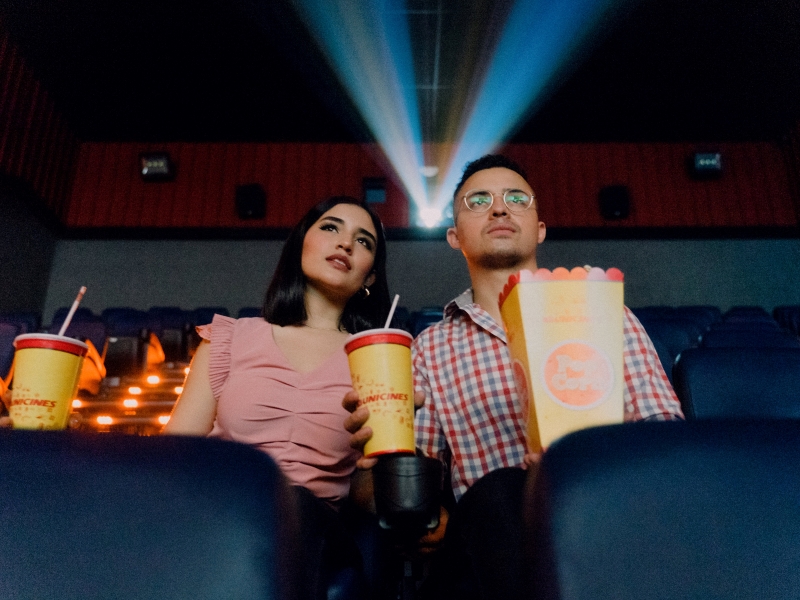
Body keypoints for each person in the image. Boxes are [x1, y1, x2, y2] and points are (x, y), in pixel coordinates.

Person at [344, 154, 683, 600]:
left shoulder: (606, 314)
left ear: (539, 226)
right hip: (490, 541)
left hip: (607, 518)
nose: (499, 208)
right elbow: (412, 488)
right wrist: (376, 465)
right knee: (503, 489)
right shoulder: (429, 348)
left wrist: (580, 464)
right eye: (478, 200)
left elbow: (667, 440)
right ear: (454, 236)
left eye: (516, 198)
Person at [165, 195, 392, 600]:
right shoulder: (231, 338)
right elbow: (174, 455)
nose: (345, 244)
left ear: (370, 277)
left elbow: (366, 500)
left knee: (296, 505)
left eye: (364, 242)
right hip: (225, 513)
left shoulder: (375, 361)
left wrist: (373, 457)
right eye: (330, 228)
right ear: (301, 242)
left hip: (318, 530)